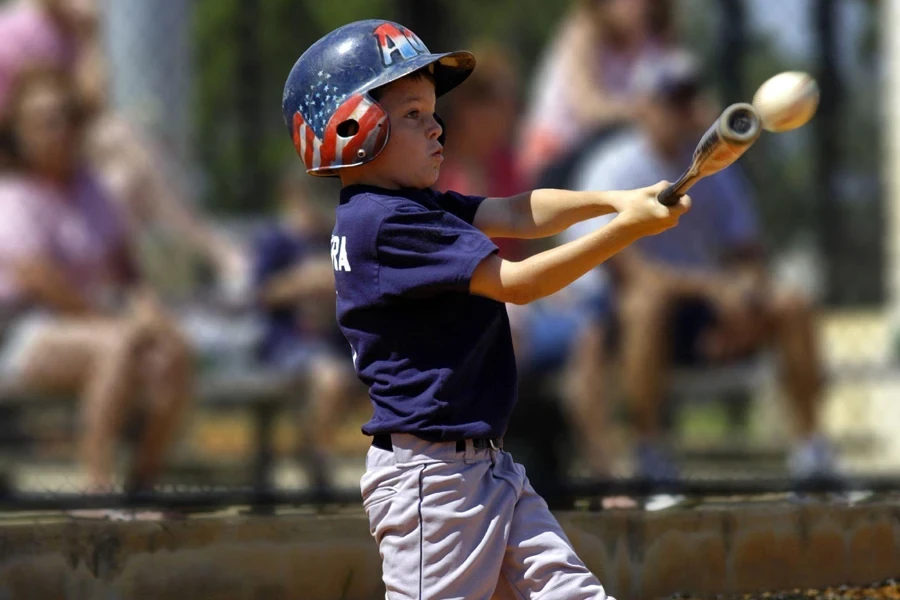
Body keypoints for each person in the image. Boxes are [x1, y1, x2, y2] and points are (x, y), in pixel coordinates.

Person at [281, 20, 689, 598]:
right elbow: (518, 283)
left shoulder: (401, 205)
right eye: (413, 115)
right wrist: (623, 231)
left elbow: (518, 212)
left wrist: (617, 199)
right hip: (433, 484)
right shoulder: (389, 223)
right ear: (353, 129)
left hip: (483, 466)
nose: (437, 127)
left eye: (431, 111)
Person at [563, 50, 834, 485]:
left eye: (687, 98)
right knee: (645, 305)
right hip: (629, 323)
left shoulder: (718, 166)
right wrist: (715, 289)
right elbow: (628, 272)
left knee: (792, 301)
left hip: (709, 313)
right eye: (670, 98)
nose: (681, 110)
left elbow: (748, 254)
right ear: (642, 107)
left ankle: (813, 452)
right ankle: (647, 455)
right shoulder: (613, 165)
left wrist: (744, 297)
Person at [0, 66, 193, 515]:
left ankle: (142, 485)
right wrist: (122, 323)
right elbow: (37, 278)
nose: (59, 129)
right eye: (45, 120)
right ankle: (96, 492)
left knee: (172, 352)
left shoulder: (94, 191)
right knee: (121, 343)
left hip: (95, 324)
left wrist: (150, 314)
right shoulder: (12, 194)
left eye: (66, 116)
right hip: (22, 330)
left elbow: (127, 272)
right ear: (20, 131)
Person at [252, 170, 365, 488]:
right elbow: (261, 293)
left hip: (334, 344)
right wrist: (304, 282)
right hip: (288, 345)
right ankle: (313, 459)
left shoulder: (333, 238)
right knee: (331, 380)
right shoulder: (276, 240)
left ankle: (313, 452)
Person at [518, 0, 674, 185]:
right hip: (560, 153)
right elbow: (588, 108)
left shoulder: (654, 39)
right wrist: (641, 111)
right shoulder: (583, 31)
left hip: (618, 150)